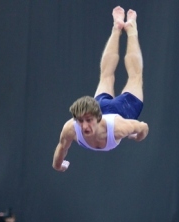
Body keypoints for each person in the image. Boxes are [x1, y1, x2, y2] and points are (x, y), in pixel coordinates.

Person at [52, 6, 149, 172]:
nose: (84, 126)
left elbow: (143, 127)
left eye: (88, 120)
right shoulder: (70, 128)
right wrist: (57, 165)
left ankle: (131, 28)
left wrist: (136, 136)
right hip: (102, 106)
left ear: (97, 117)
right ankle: (116, 27)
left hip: (123, 110)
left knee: (135, 76)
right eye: (80, 121)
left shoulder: (120, 127)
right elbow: (62, 147)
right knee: (105, 76)